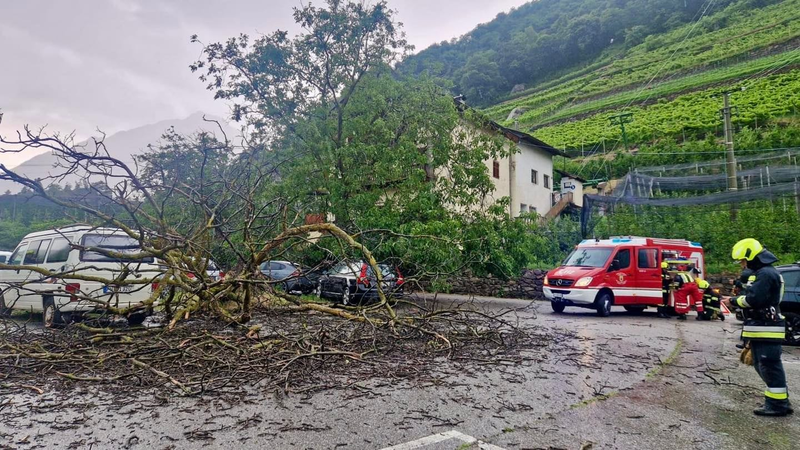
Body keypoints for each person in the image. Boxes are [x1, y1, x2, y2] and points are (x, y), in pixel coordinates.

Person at [725, 238, 792, 417]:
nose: (742, 265)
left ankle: (777, 405)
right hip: (762, 327)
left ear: (752, 257)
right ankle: (780, 400)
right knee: (762, 364)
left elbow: (754, 300)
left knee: (769, 365)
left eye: (743, 261)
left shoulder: (766, 274)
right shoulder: (765, 273)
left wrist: (732, 301)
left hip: (767, 327)